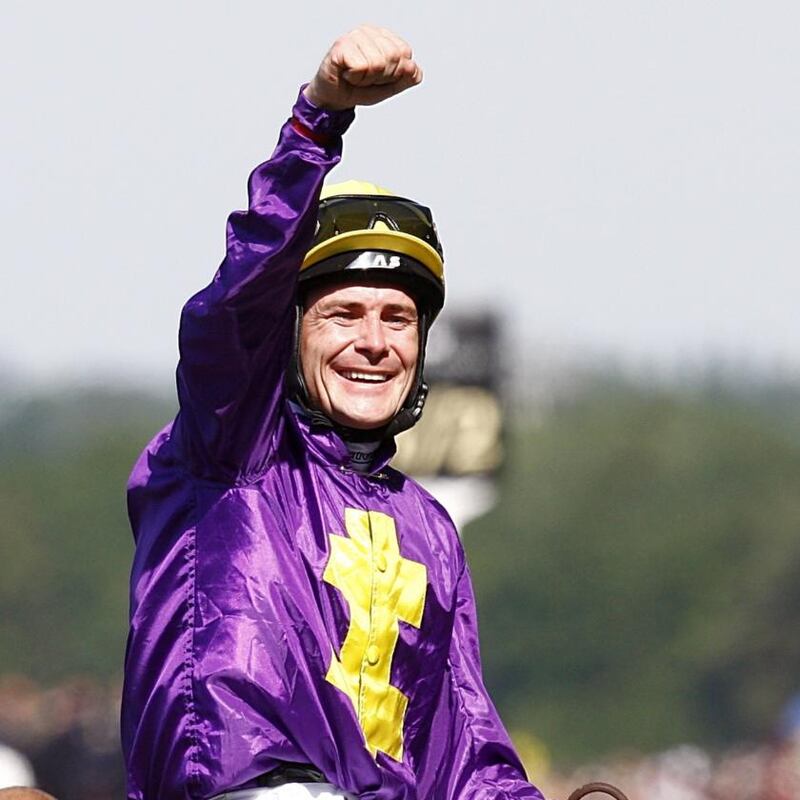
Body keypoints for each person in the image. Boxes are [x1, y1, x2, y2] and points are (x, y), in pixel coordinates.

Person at [122, 24, 544, 800]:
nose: (374, 343)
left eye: (398, 319)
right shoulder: (232, 449)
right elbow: (235, 307)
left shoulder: (431, 531)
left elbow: (465, 749)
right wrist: (317, 121)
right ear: (290, 334)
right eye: (344, 314)